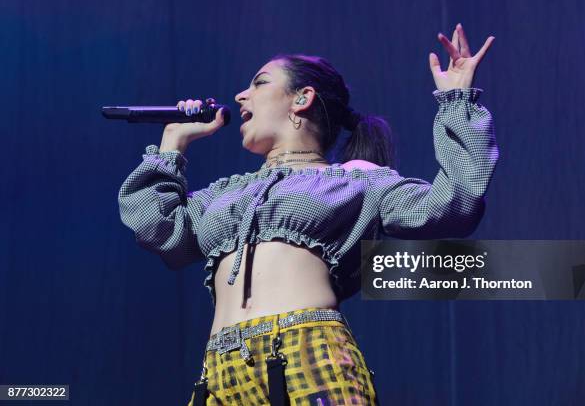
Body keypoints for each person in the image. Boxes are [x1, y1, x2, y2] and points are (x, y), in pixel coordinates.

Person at [118, 23, 497, 405]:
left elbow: (454, 206)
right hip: (221, 370)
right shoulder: (225, 194)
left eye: (259, 83)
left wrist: (457, 101)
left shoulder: (356, 180)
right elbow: (159, 230)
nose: (240, 95)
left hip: (307, 352)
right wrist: (172, 145)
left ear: (302, 98)